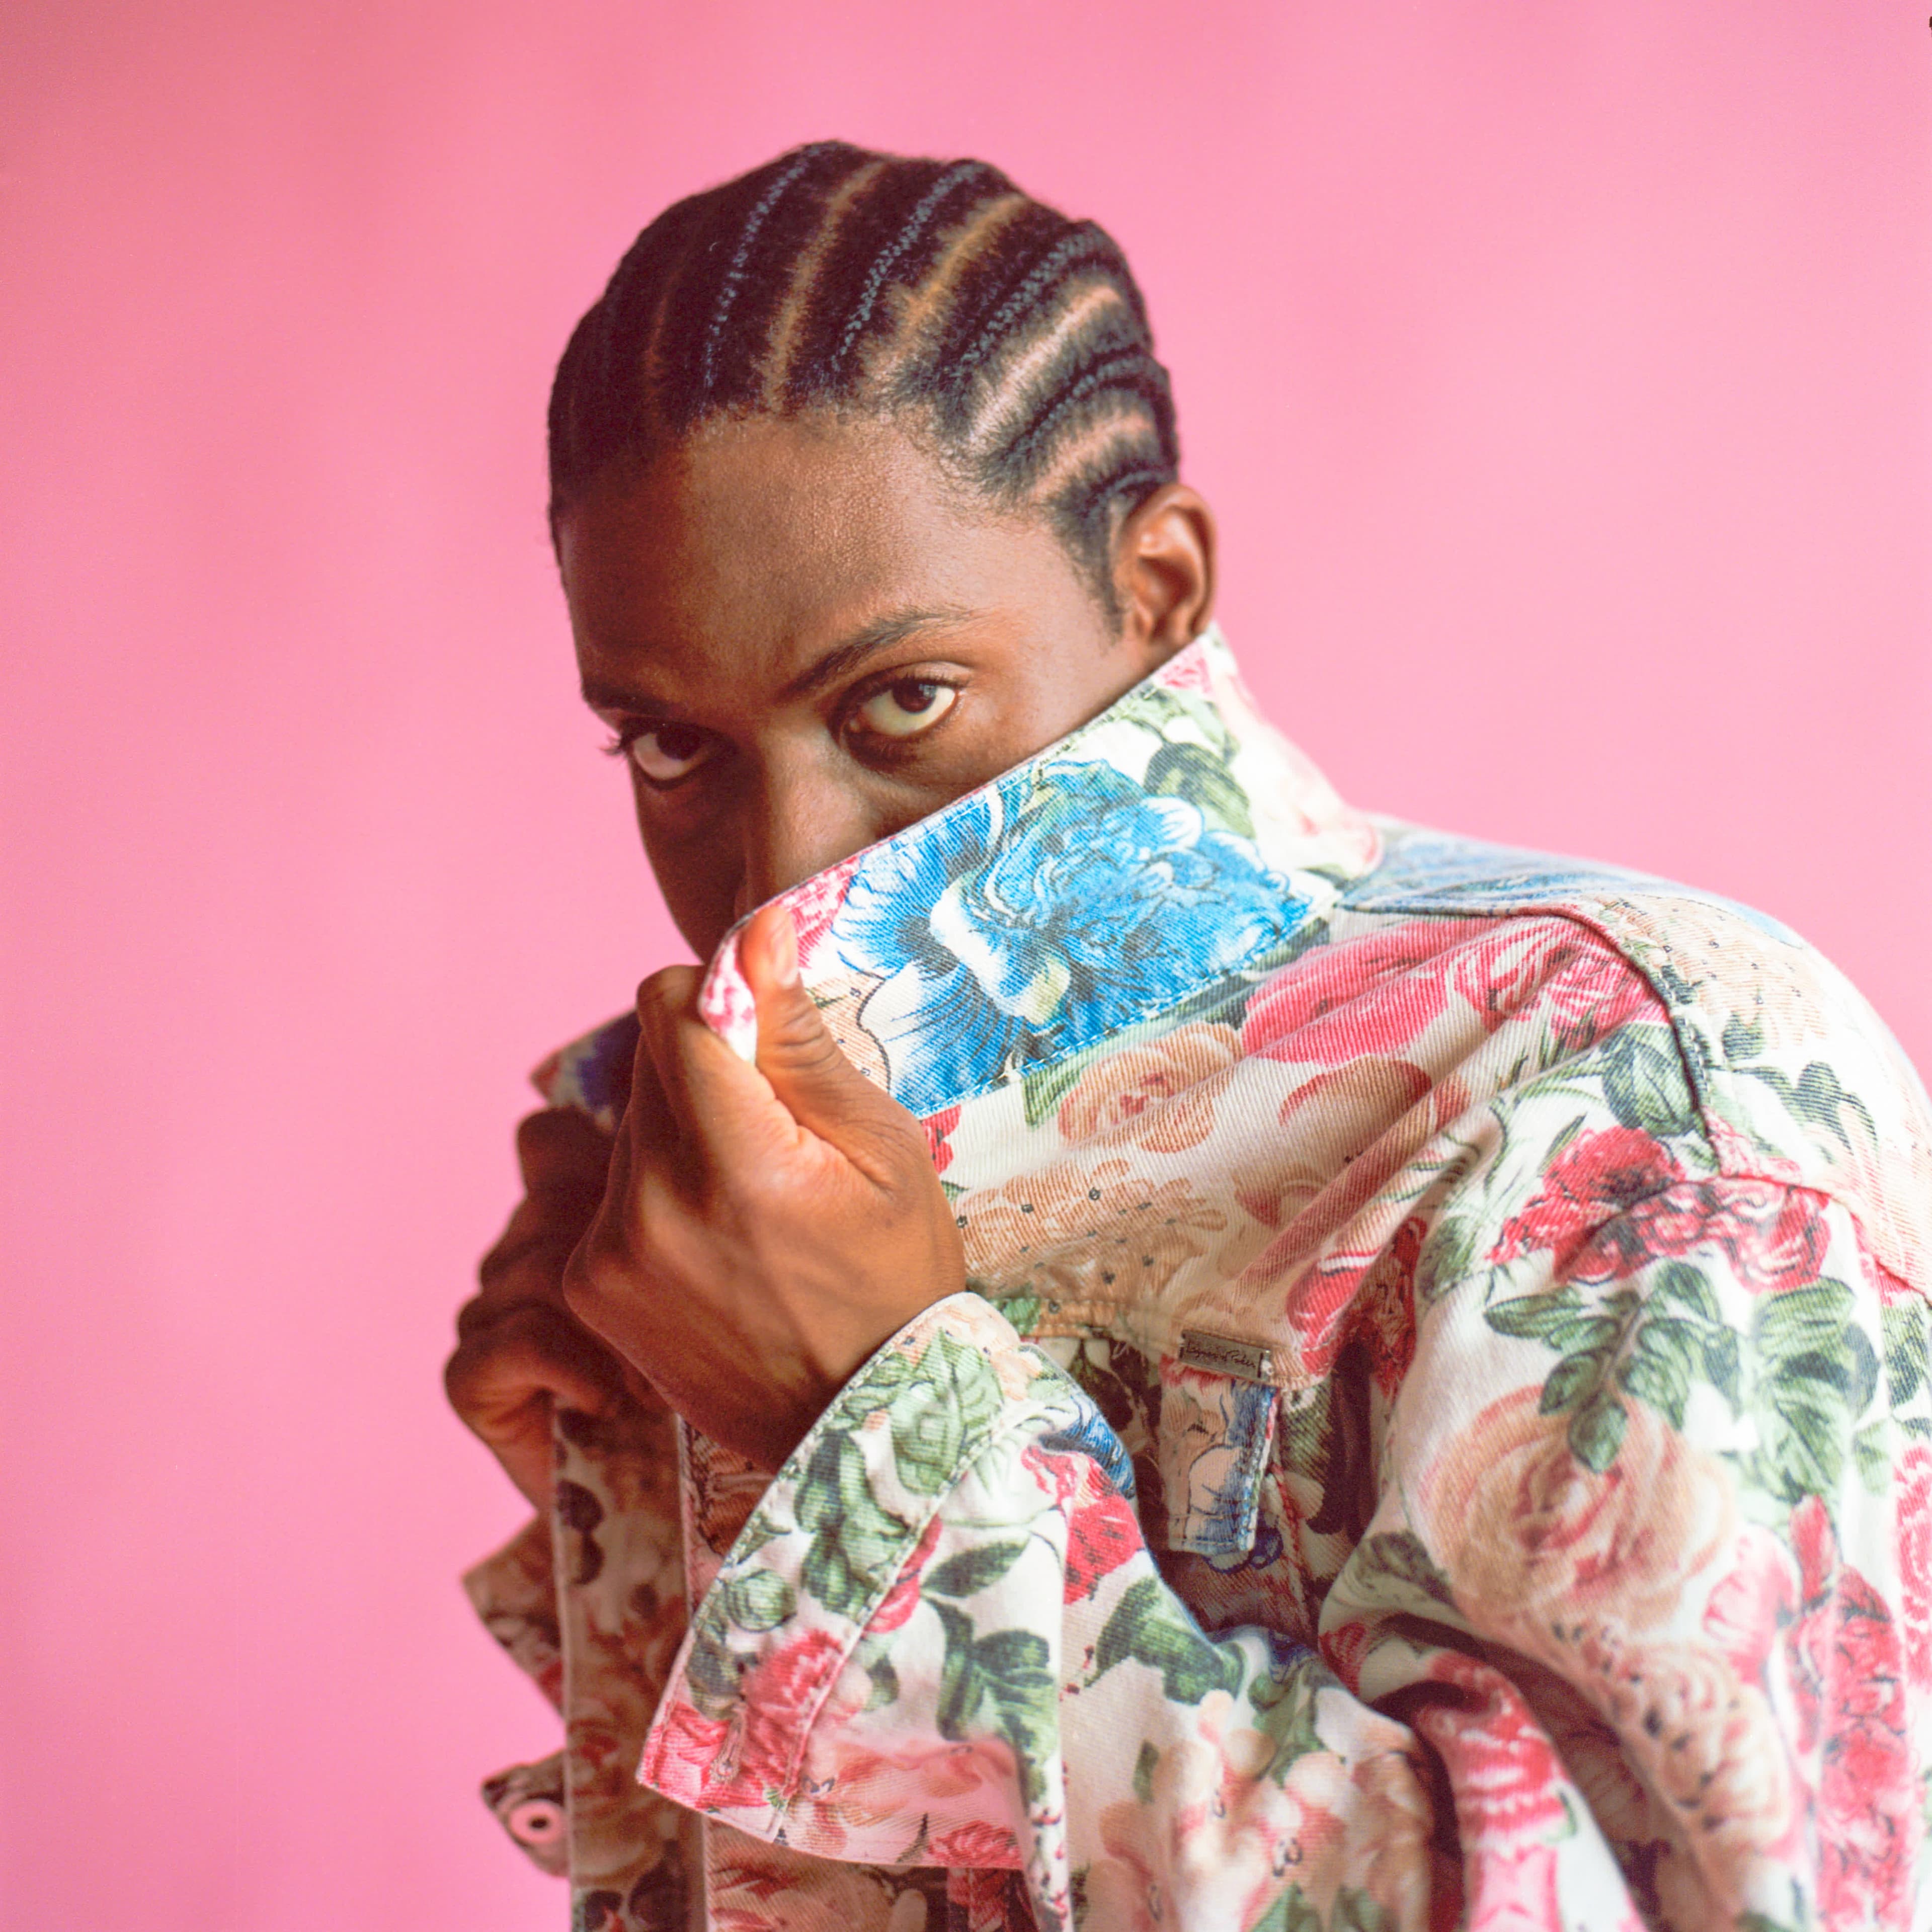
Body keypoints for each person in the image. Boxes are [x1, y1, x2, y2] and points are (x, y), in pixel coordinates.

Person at [445, 141, 1932, 1932]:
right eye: (669, 748)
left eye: (903, 700)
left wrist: (870, 1433)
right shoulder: (694, 1165)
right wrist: (630, 1473)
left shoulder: (1627, 1078)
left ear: (1158, 586)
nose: (783, 873)